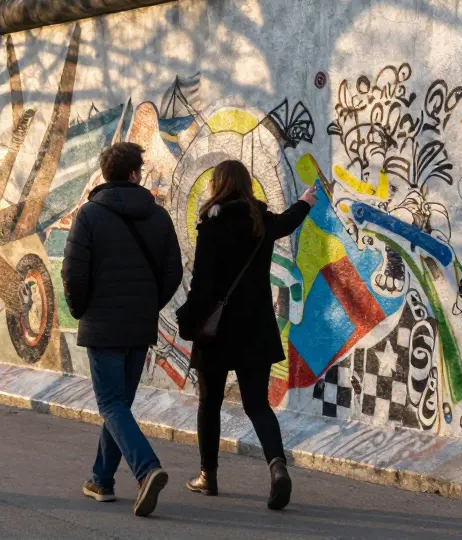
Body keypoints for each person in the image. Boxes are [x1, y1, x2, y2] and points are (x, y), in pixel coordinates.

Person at [181, 159, 317, 510]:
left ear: (218, 186)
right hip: (255, 328)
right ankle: (277, 467)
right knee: (257, 404)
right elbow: (288, 222)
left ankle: (208, 477)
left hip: (217, 333)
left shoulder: (210, 229)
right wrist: (305, 201)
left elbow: (202, 286)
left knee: (209, 403)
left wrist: (188, 318)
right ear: (246, 186)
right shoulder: (261, 223)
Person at [63, 142, 183, 517]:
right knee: (120, 406)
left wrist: (83, 311)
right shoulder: (159, 217)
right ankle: (101, 479)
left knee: (112, 404)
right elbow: (173, 272)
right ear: (135, 174)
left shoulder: (89, 215)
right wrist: (148, 307)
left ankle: (147, 469)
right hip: (138, 325)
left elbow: (73, 273)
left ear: (106, 174)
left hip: (103, 325)